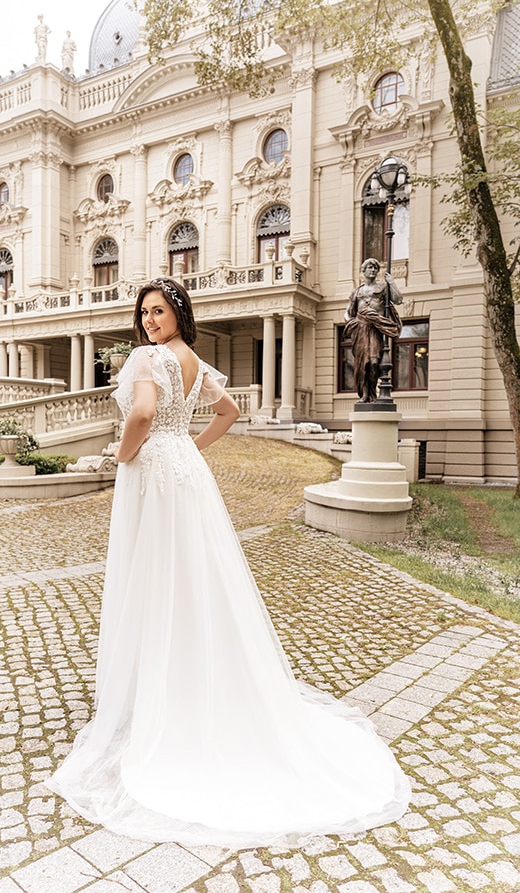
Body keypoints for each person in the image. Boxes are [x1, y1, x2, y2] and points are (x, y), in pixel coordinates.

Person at [46, 277, 410, 847]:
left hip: (152, 471)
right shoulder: (192, 359)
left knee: (155, 573)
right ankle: (189, 677)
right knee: (191, 575)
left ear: (177, 313)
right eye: (143, 312)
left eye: (158, 311)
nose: (148, 320)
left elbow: (141, 415)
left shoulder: (148, 358)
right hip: (185, 470)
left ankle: (160, 692)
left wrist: (121, 454)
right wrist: (187, 446)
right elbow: (229, 411)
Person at [344, 259, 403, 402]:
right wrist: (352, 322)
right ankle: (365, 394)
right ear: (363, 271)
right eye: (369, 267)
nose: (372, 270)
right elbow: (347, 312)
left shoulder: (383, 287)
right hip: (360, 328)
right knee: (362, 363)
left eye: (375, 268)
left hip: (375, 328)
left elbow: (398, 299)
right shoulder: (357, 291)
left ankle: (373, 393)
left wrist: (392, 282)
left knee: (374, 362)